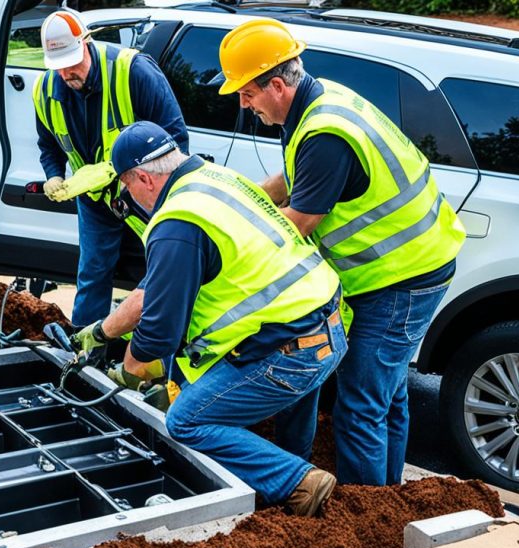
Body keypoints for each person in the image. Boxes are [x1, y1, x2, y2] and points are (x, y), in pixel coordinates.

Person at [217, 18, 466, 486]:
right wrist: (242, 202)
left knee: (359, 405)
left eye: (246, 94)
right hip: (413, 265)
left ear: (275, 85)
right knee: (387, 396)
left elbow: (301, 221)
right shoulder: (318, 100)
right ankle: (387, 499)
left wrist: (233, 241)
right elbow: (295, 180)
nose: (243, 104)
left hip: (401, 278)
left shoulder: (325, 133)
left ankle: (364, 516)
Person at [80, 121, 348, 516]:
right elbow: (154, 286)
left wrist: (128, 372)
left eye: (127, 187)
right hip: (327, 327)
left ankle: (299, 482)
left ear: (143, 178)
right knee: (290, 403)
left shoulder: (177, 222)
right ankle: (287, 480)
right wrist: (101, 331)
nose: (129, 198)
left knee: (186, 421)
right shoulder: (215, 177)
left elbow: (158, 334)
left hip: (291, 354)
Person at [33, 9, 188, 329]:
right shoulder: (46, 91)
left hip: (147, 194)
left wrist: (121, 171)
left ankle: (160, 345)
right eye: (58, 66)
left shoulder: (133, 72)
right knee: (92, 273)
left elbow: (176, 140)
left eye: (72, 63)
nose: (66, 74)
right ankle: (86, 345)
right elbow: (49, 146)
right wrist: (55, 176)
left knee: (164, 269)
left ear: (86, 44)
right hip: (95, 200)